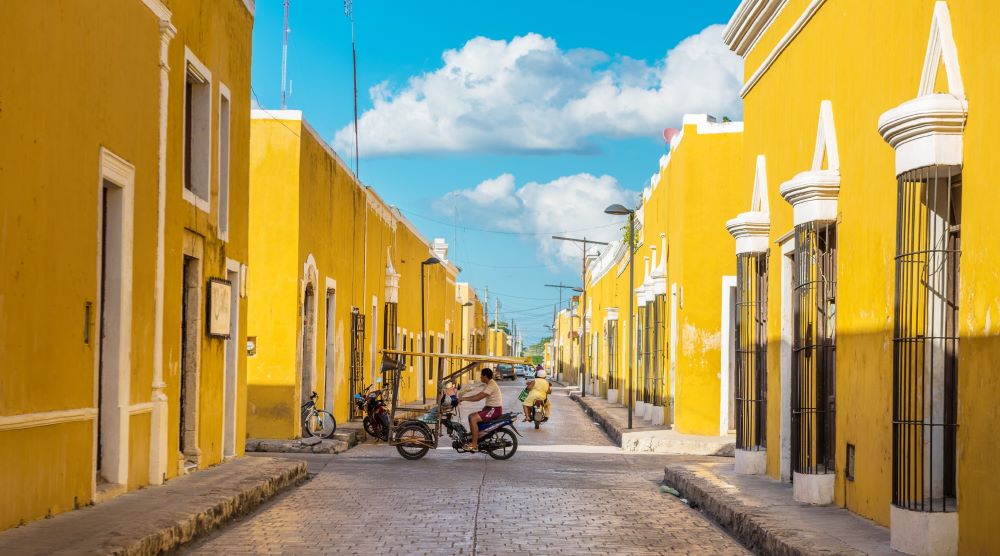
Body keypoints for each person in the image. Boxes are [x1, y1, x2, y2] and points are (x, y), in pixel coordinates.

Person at [458, 367, 503, 451]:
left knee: (473, 419)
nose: (480, 377)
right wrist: (464, 397)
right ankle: (475, 437)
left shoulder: (491, 385)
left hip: (494, 410)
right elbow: (479, 394)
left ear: (485, 376)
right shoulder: (489, 384)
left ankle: (474, 444)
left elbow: (478, 398)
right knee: (471, 416)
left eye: (481, 376)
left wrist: (463, 399)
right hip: (489, 408)